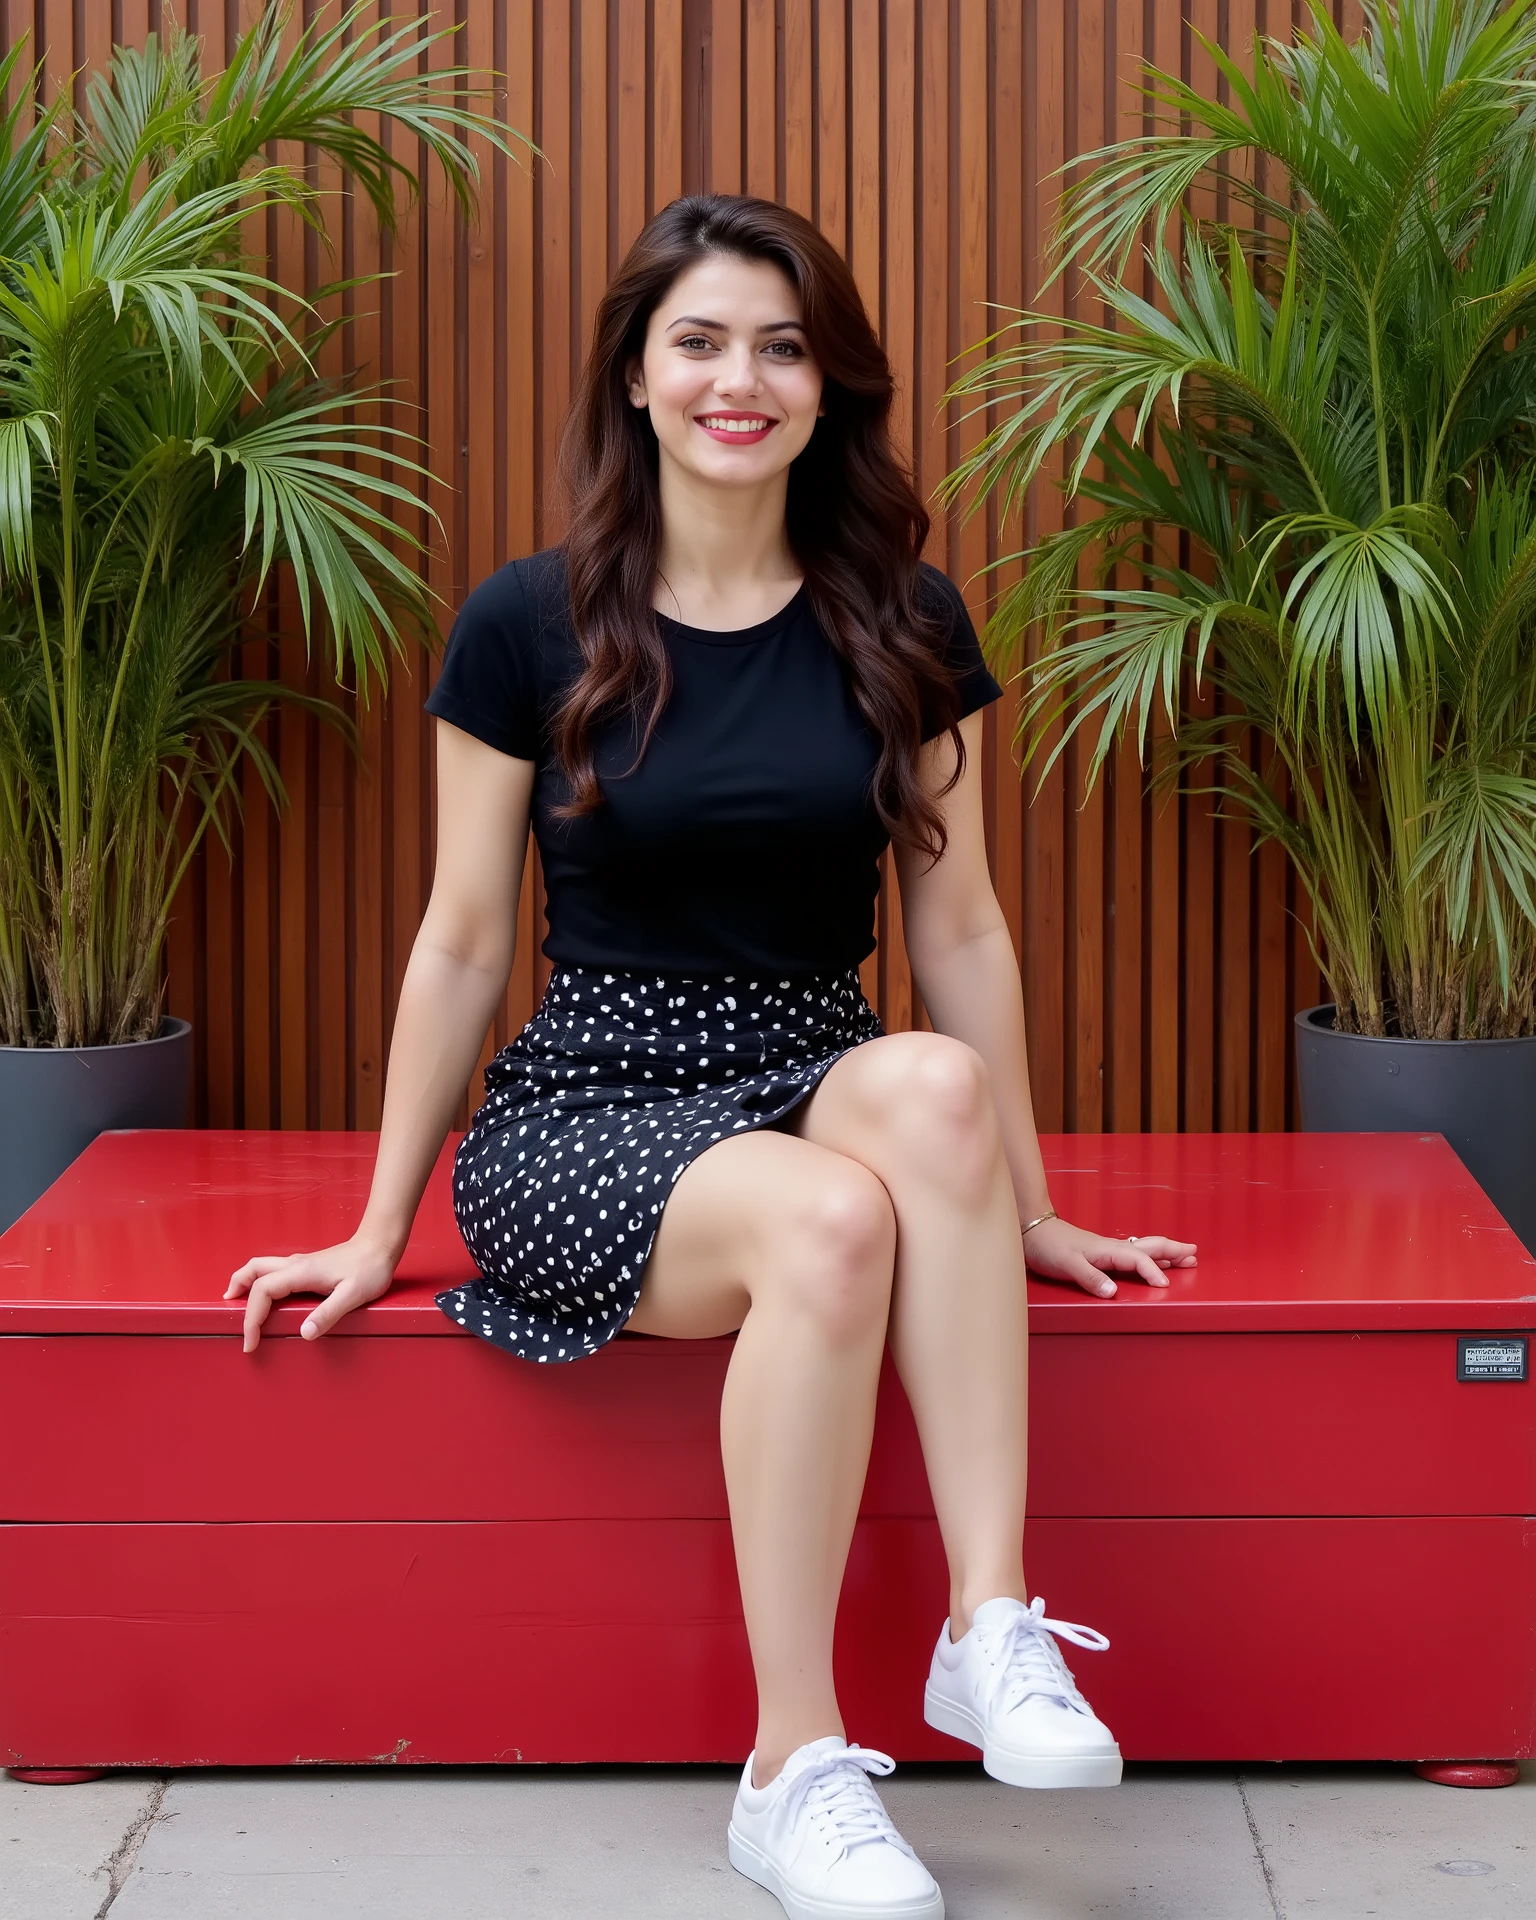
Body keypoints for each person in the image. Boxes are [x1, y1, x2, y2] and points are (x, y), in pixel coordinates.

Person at [226, 192, 1196, 1920]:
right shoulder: (528, 624)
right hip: (588, 1104)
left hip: (808, 1060)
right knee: (833, 1215)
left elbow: (962, 931)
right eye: (700, 343)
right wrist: (378, 1228)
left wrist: (1027, 1209)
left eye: (781, 346)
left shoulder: (902, 619)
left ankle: (988, 1625)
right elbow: (462, 940)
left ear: (828, 388)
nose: (739, 381)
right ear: (637, 375)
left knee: (935, 1090)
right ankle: (789, 1770)